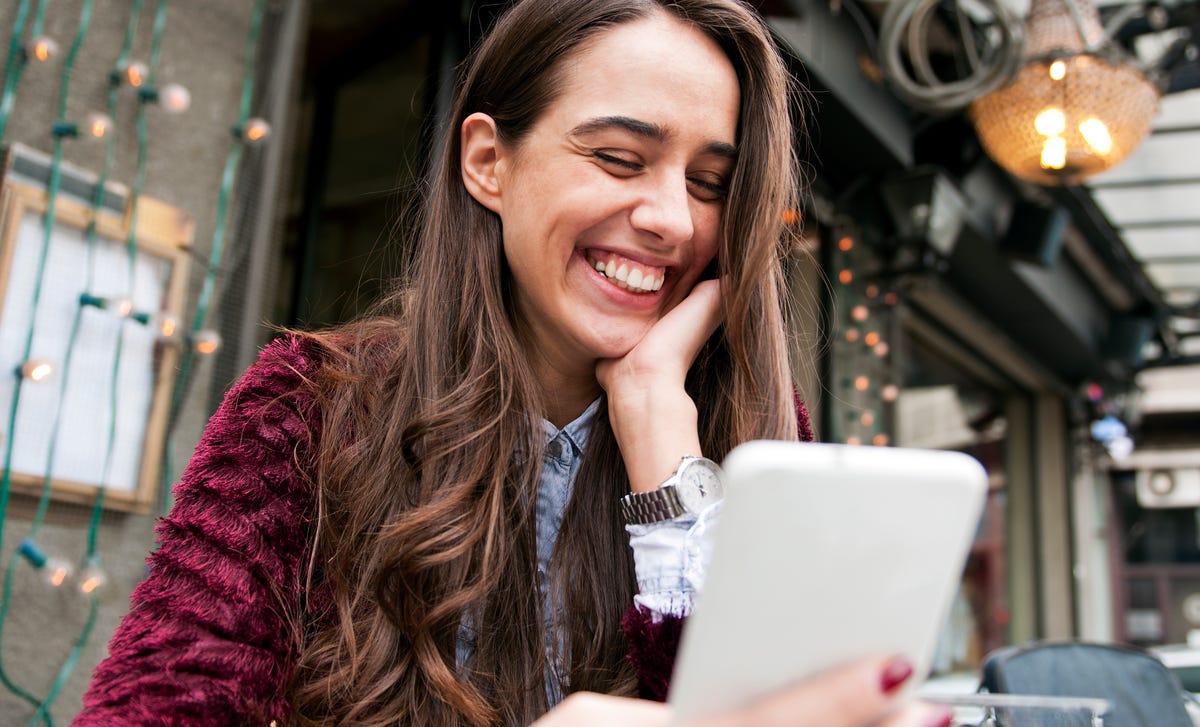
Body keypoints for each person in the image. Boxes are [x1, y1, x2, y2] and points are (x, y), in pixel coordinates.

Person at [74, 1, 954, 726]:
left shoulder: (758, 438)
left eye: (710, 182)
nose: (674, 221)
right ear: (489, 162)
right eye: (619, 158)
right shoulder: (309, 405)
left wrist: (665, 451)